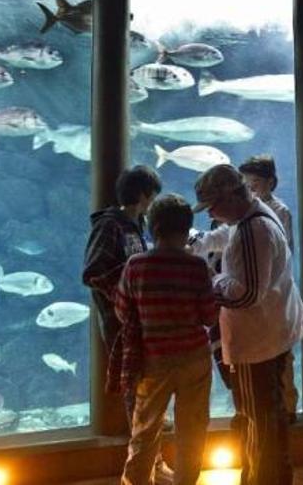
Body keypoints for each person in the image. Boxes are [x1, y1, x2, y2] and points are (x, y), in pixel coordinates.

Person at [191, 164, 303, 485]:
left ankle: (264, 478)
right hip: (274, 332)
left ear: (230, 196)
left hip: (258, 343)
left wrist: (209, 279)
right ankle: (264, 475)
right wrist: (199, 244)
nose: (211, 213)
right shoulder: (254, 215)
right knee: (267, 417)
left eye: (212, 205)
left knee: (260, 420)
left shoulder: (251, 231)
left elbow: (246, 295)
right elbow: (223, 235)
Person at [109, 193, 218, 485]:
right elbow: (209, 316)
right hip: (194, 358)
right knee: (193, 429)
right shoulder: (196, 267)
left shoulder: (136, 266)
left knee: (144, 429)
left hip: (153, 359)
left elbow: (122, 310)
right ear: (187, 229)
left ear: (153, 229)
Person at [82, 165, 173, 482]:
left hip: (146, 322)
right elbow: (92, 272)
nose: (153, 202)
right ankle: (142, 468)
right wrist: (126, 294)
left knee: (150, 394)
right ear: (144, 194)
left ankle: (154, 461)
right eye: (152, 195)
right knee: (136, 395)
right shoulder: (110, 226)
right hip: (122, 326)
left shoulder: (140, 224)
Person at [238, 155, 299, 423]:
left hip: (275, 297)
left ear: (270, 183)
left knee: (282, 356)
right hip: (254, 301)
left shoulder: (279, 210)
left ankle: (288, 408)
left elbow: (284, 252)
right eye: (246, 183)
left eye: (256, 183)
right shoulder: (243, 212)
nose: (250, 188)